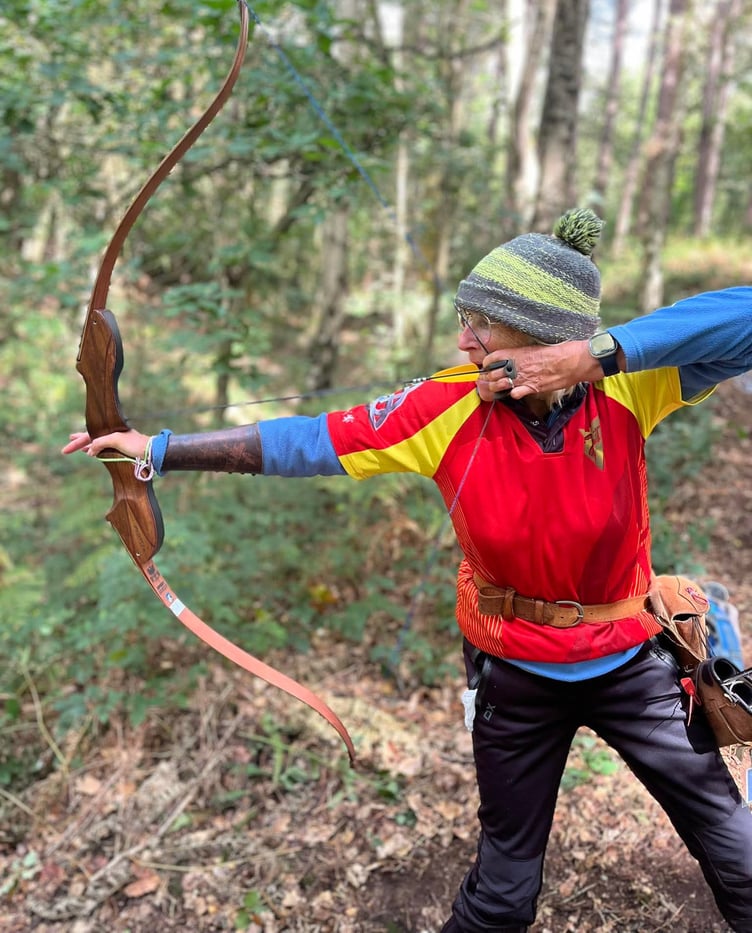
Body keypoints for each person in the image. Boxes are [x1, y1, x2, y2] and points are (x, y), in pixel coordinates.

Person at [63, 209, 752, 932]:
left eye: (484, 321)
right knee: (503, 895)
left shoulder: (630, 388)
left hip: (629, 664)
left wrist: (598, 357)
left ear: (545, 335)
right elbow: (310, 441)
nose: (465, 337)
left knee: (738, 853)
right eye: (466, 316)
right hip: (516, 673)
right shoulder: (447, 405)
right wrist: (159, 450)